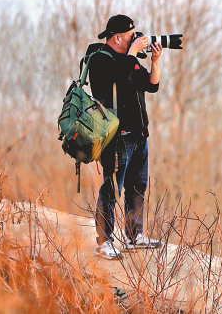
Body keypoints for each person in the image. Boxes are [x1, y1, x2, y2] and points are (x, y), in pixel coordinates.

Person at [88, 14, 164, 260]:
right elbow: (112, 82)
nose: (137, 38)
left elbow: (151, 85)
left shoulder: (128, 60)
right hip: (117, 137)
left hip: (139, 135)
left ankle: (135, 235)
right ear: (118, 37)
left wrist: (155, 60)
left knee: (137, 187)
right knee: (111, 189)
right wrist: (131, 54)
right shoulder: (100, 59)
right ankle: (103, 242)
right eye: (132, 35)